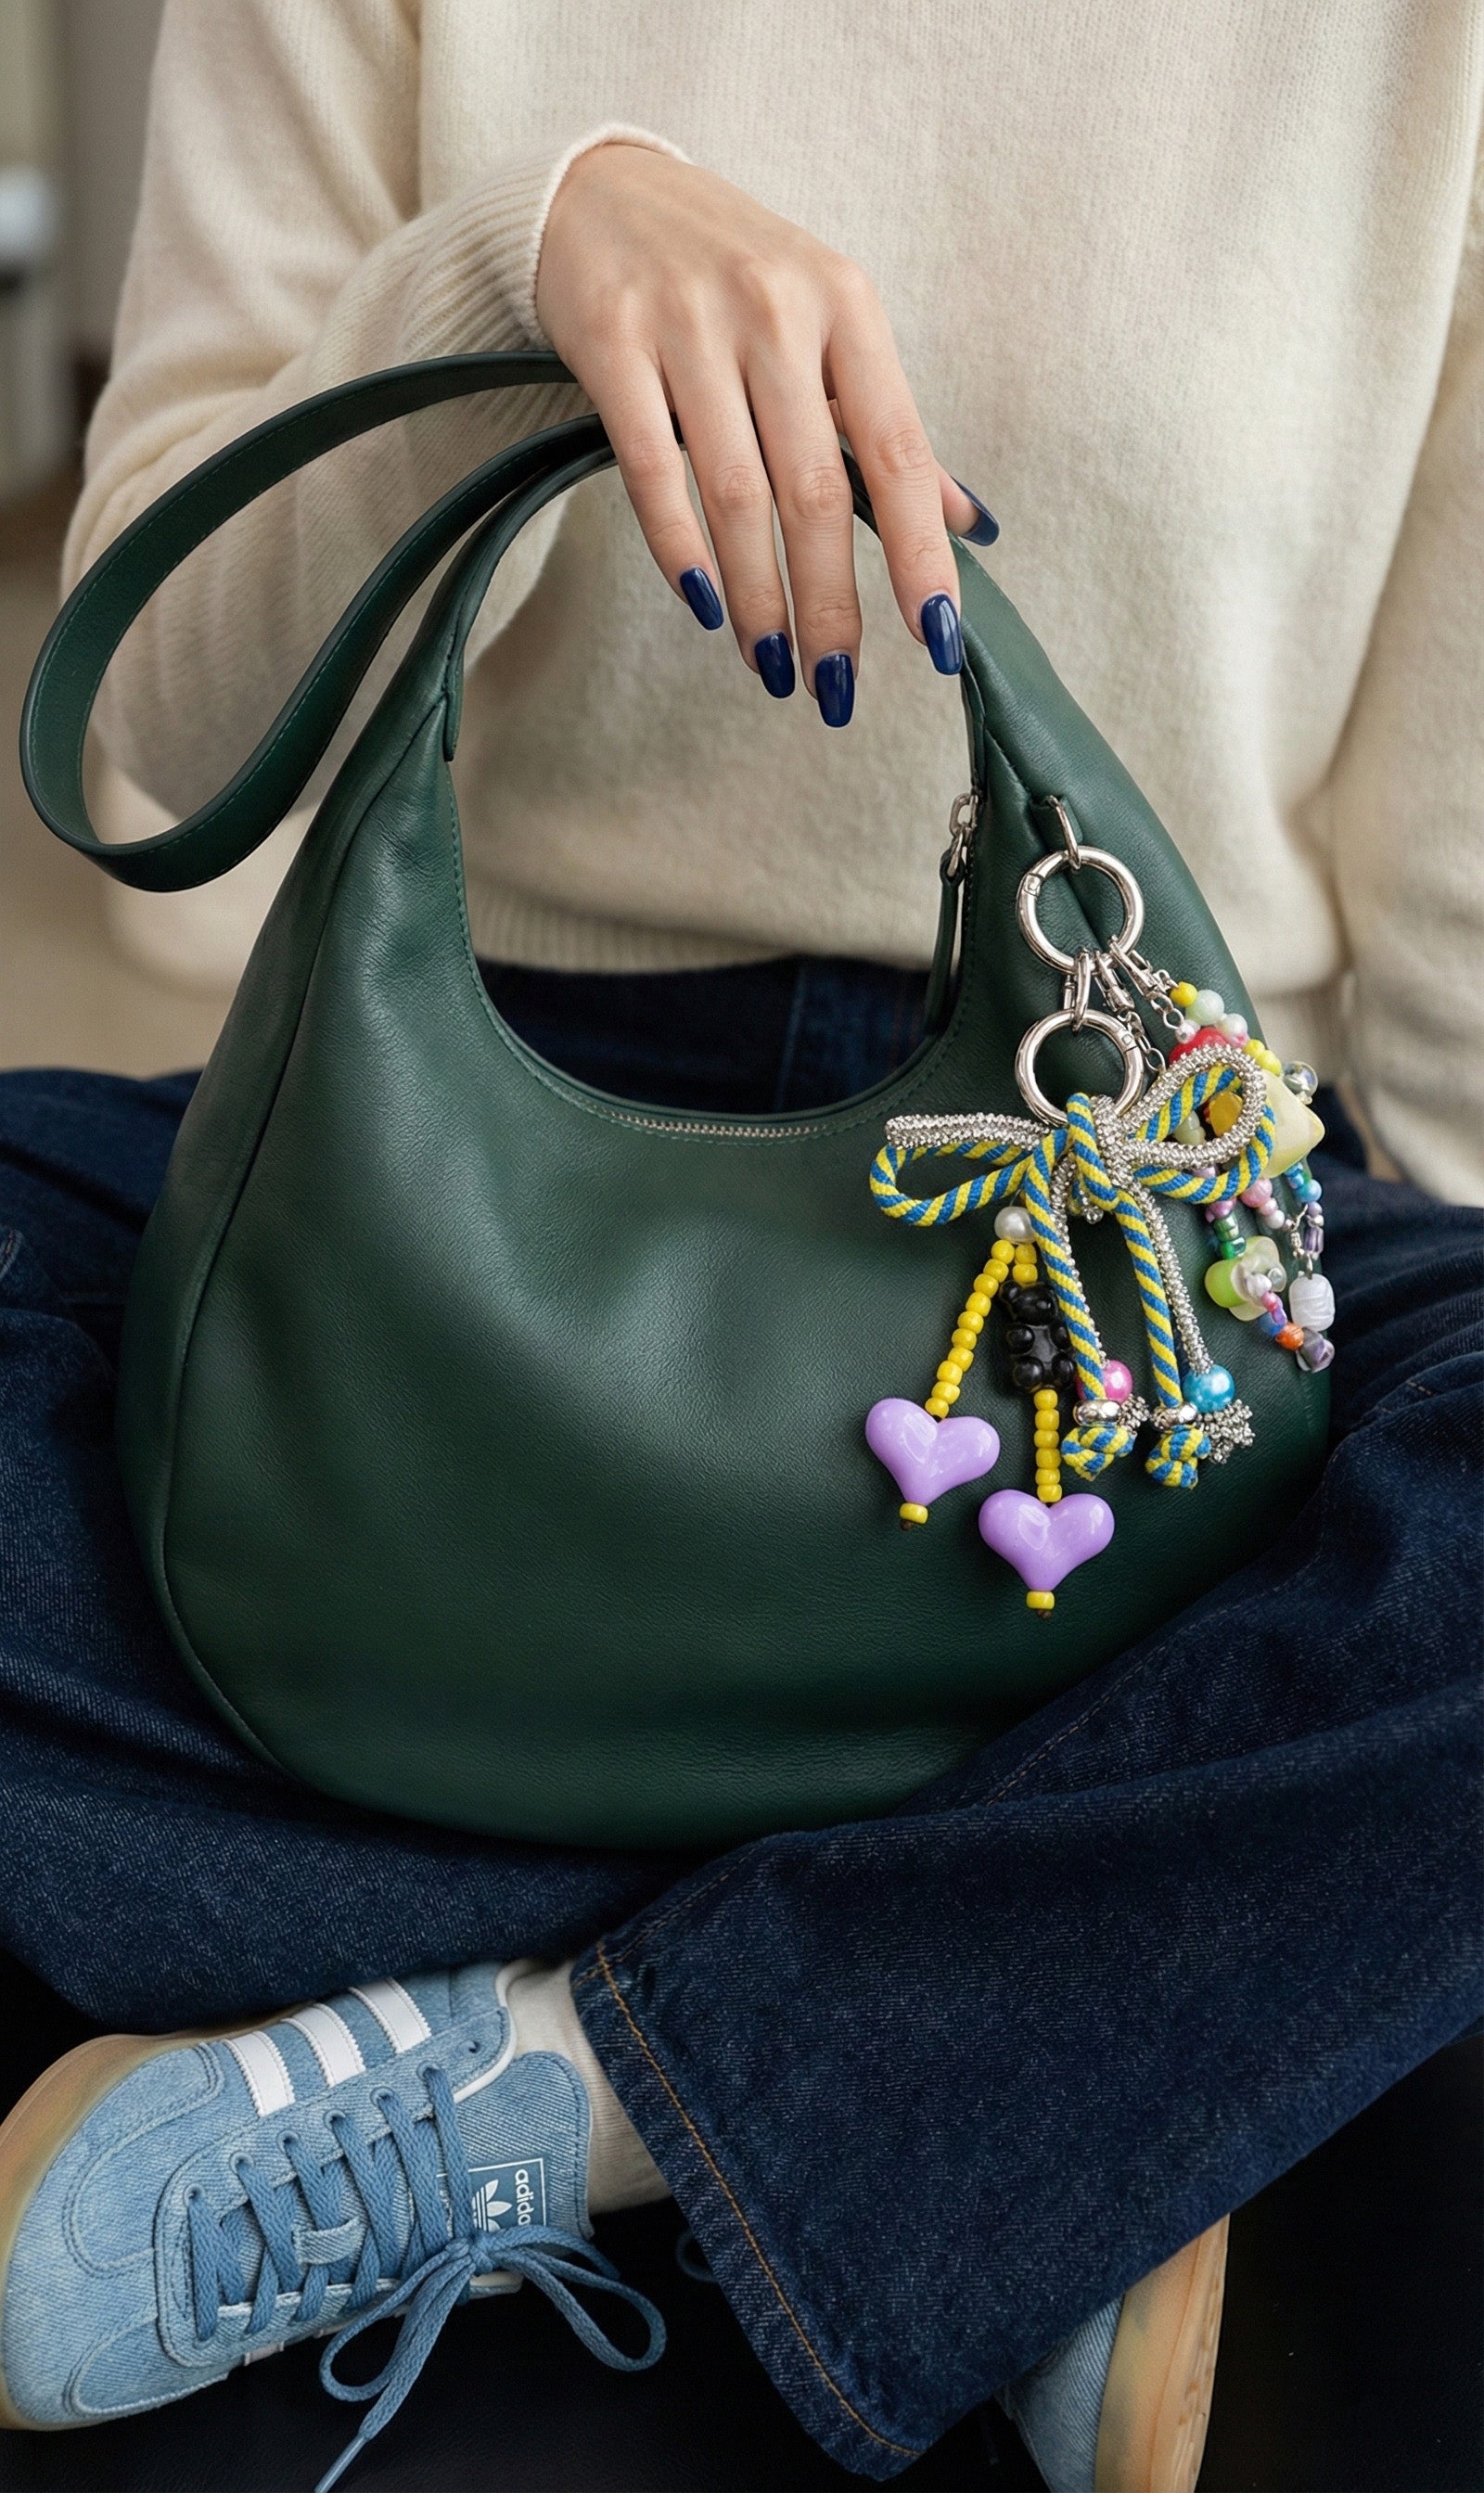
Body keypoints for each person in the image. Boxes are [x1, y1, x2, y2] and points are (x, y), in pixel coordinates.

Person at [1, 7, 1480, 2491]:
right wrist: (520, 254)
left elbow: (1458, 826)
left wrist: (1400, 1388)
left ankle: (594, 2091)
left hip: (1128, 1190)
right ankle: (1066, 2035)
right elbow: (168, 706)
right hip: (456, 1161)